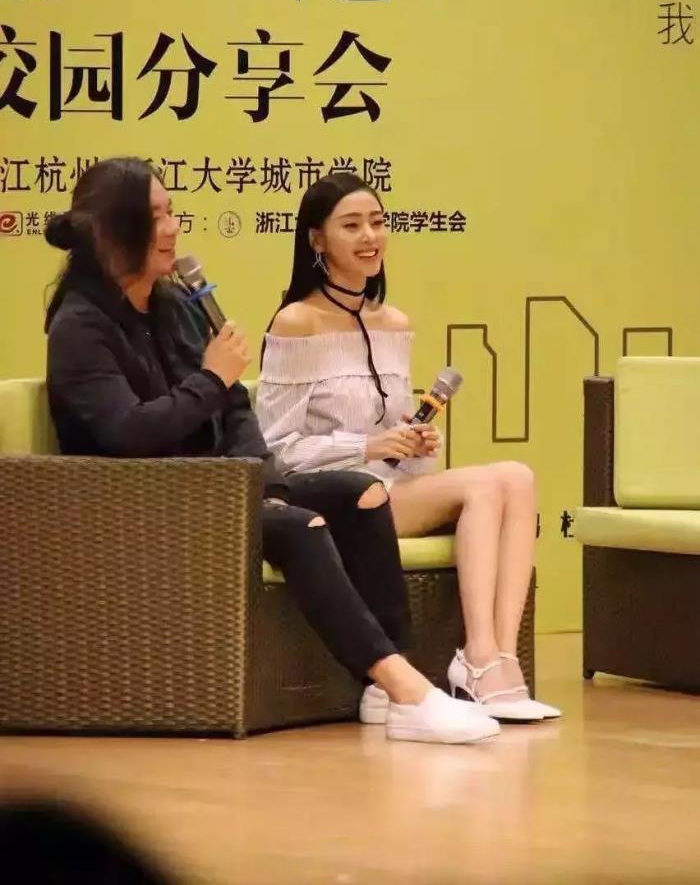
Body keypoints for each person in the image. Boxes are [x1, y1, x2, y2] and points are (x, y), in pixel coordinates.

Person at [43, 157, 497, 747]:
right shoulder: (80, 326)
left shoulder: (177, 305)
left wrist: (264, 481)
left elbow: (235, 408)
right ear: (114, 229)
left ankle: (387, 691)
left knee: (360, 493)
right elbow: (128, 433)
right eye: (155, 217)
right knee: (297, 526)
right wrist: (211, 380)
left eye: (172, 211)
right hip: (144, 502)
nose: (173, 228)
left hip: (221, 486)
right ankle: (407, 688)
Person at [256, 173, 561, 724]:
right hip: (337, 498)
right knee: (484, 484)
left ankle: (500, 657)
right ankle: (478, 657)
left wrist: (416, 444)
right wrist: (368, 445)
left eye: (377, 222)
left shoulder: (395, 323)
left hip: (394, 486)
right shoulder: (297, 322)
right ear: (317, 239)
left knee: (517, 475)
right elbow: (277, 449)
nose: (370, 236)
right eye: (352, 225)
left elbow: (402, 451)